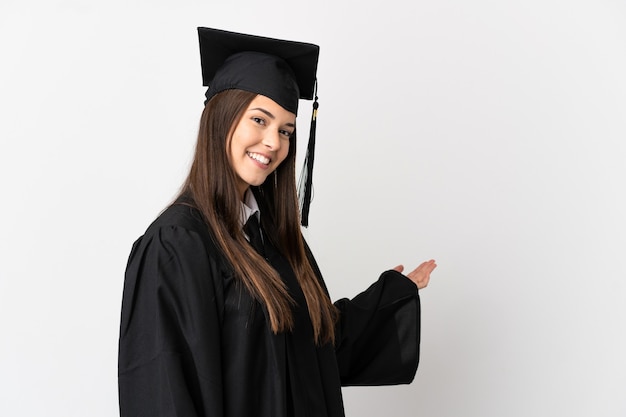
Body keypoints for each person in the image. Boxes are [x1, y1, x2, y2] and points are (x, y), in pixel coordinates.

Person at [118, 27, 437, 417]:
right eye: (259, 120)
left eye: (286, 131)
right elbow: (163, 389)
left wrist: (388, 299)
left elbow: (312, 349)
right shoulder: (177, 244)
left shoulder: (273, 238)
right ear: (221, 117)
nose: (274, 142)